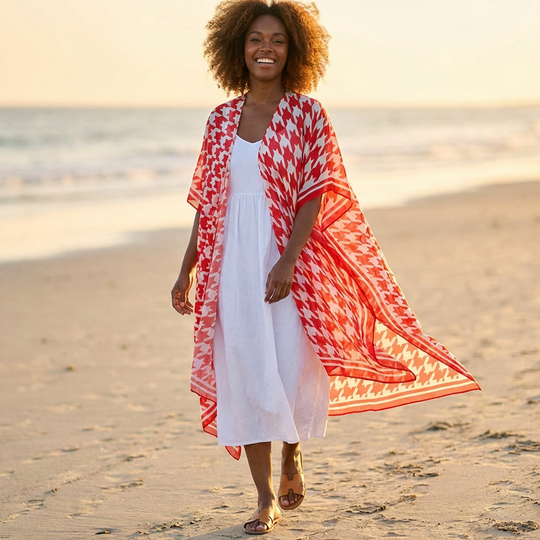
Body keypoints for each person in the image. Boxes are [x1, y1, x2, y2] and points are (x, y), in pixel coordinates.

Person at [172, 0, 480, 535]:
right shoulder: (220, 119)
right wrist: (187, 270)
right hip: (231, 266)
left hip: (291, 261)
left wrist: (287, 259)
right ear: (237, 49)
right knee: (246, 374)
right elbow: (208, 202)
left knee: (290, 367)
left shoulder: (307, 115)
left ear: (294, 50)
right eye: (255, 40)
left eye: (277, 40)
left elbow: (316, 192)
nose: (265, 49)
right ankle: (264, 498)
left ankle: (293, 451)